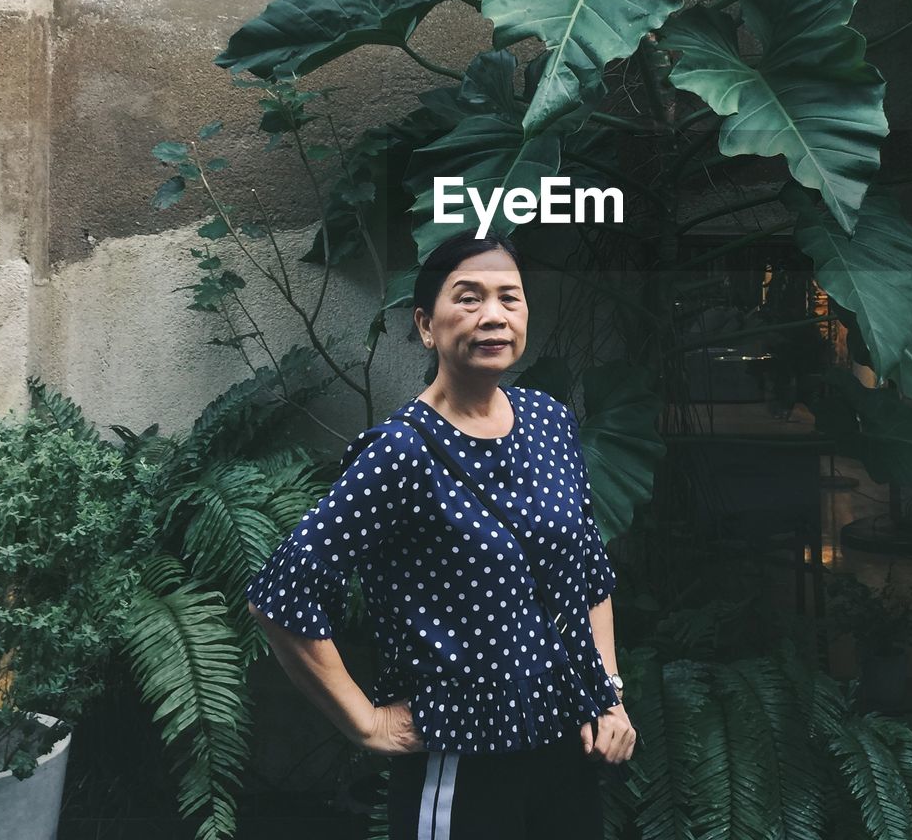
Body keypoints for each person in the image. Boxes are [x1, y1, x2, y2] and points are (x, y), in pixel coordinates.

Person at [246, 230, 636, 839]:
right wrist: (364, 723)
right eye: (469, 298)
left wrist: (609, 692)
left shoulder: (550, 422)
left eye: (510, 298)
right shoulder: (400, 452)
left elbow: (588, 574)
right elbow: (282, 591)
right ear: (427, 326)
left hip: (569, 744)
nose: (493, 316)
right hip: (462, 758)